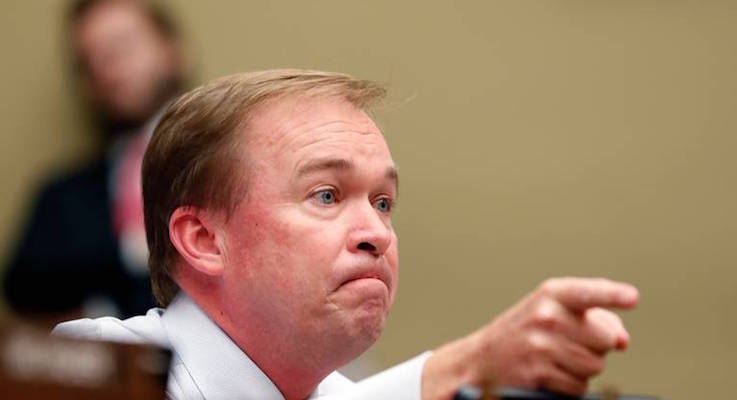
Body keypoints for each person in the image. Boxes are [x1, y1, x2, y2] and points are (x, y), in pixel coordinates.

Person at [54, 69, 640, 400]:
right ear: (205, 239)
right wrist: (475, 361)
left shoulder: (329, 391)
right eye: (326, 195)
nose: (376, 234)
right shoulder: (96, 364)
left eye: (384, 203)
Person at [4, 0, 188, 319]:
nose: (109, 68)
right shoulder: (61, 197)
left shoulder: (224, 173)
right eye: (91, 61)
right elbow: (24, 291)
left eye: (122, 47)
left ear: (175, 51)